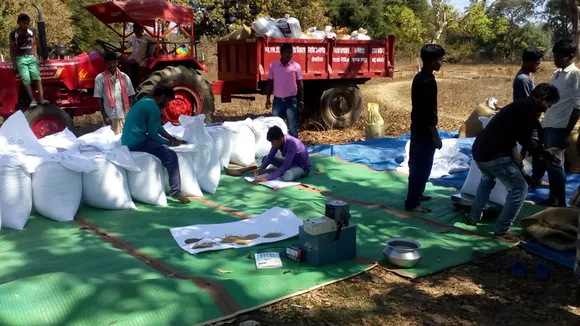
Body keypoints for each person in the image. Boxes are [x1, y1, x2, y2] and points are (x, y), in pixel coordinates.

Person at [466, 83, 561, 241]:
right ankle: (502, 230)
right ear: (543, 98)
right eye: (548, 105)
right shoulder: (528, 109)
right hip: (493, 154)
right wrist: (546, 153)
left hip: (479, 151)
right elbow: (527, 140)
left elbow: (511, 136)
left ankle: (473, 217)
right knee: (519, 189)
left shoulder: (520, 105)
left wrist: (522, 170)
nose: (547, 109)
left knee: (487, 180)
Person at [121, 82, 191, 204]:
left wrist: (172, 138)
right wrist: (169, 143)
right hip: (137, 142)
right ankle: (176, 191)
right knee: (171, 155)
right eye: (168, 101)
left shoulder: (144, 102)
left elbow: (157, 126)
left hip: (128, 139)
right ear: (163, 97)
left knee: (160, 145)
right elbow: (153, 135)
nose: (168, 105)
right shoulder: (153, 108)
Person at [538, 39, 580, 207]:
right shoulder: (557, 74)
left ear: (570, 57)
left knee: (556, 165)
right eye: (554, 55)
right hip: (549, 123)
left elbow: (578, 106)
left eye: (558, 56)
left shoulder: (575, 75)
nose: (554, 58)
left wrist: (566, 132)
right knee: (550, 163)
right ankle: (553, 197)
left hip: (560, 126)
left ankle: (560, 201)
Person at [404, 44, 445, 213]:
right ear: (432, 61)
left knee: (416, 163)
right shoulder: (428, 82)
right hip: (425, 130)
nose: (442, 63)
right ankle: (412, 203)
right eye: (441, 59)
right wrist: (435, 136)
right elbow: (429, 112)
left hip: (417, 127)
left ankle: (417, 194)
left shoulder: (419, 77)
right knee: (422, 165)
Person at [224, 126, 312, 183]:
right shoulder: (278, 140)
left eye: (273, 142)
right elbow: (270, 156)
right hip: (291, 164)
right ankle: (242, 170)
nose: (272, 144)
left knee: (287, 175)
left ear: (281, 138)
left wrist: (266, 179)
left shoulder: (292, 144)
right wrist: (261, 169)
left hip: (301, 168)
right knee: (265, 158)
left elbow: (286, 165)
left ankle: (277, 172)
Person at [514, 47, 545, 187]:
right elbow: (528, 103)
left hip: (527, 120)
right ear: (526, 62)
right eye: (536, 63)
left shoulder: (527, 76)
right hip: (527, 121)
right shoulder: (523, 79)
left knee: (526, 150)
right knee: (538, 151)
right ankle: (533, 179)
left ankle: (527, 177)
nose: (538, 66)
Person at [9, 13, 48, 108]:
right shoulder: (14, 34)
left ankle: (42, 98)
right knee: (26, 79)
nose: (26, 25)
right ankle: (33, 100)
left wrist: (36, 57)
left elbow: (34, 44)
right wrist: (14, 63)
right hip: (20, 58)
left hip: (31, 57)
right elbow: (12, 48)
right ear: (18, 23)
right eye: (23, 23)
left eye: (27, 23)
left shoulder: (31, 32)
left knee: (36, 77)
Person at [265, 43, 304, 138]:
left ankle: (295, 149)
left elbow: (300, 85)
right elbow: (270, 83)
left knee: (292, 126)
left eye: (291, 53)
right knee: (276, 127)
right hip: (278, 102)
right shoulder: (273, 66)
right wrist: (268, 99)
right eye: (287, 52)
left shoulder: (296, 66)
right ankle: (278, 149)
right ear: (281, 53)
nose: (289, 55)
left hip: (291, 101)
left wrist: (301, 101)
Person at [94, 51, 135, 135]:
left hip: (124, 115)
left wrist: (129, 112)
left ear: (117, 63)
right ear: (105, 63)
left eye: (114, 62)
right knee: (112, 142)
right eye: (109, 63)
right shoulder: (100, 78)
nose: (112, 65)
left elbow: (131, 95)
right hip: (110, 116)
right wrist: (104, 116)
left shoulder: (124, 77)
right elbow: (98, 98)